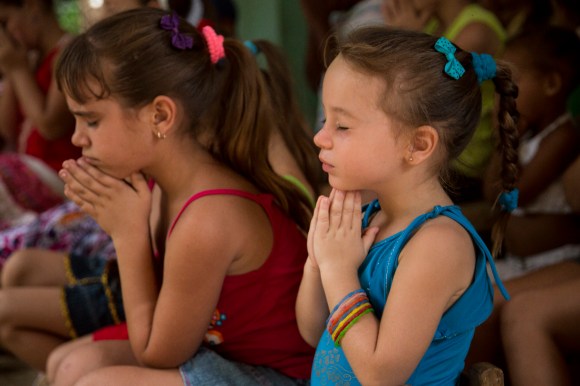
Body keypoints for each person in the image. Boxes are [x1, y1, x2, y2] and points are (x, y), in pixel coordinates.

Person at [0, 7, 316, 385]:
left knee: (92, 382)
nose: (77, 138)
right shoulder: (162, 182)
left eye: (92, 121)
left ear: (161, 116)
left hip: (278, 377)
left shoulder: (208, 217)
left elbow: (158, 351)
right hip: (220, 349)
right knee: (67, 365)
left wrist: (127, 234)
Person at [295, 26, 518, 385]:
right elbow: (313, 330)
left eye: (342, 125)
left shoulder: (438, 244)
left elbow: (379, 374)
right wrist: (317, 262)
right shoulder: (369, 216)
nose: (319, 137)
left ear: (417, 145)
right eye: (325, 120)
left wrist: (338, 270)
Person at [382, 0, 507, 204]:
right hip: (434, 152)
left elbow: (439, 86)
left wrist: (406, 38)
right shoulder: (431, 25)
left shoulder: (475, 31)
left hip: (461, 165)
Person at [484, 26, 580, 280]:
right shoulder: (527, 134)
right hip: (520, 263)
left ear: (551, 84)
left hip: (555, 264)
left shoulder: (564, 136)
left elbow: (519, 195)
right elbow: (491, 194)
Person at [0, 0, 81, 229]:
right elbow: (5, 134)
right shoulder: (29, 61)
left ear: (32, 7)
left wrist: (17, 69)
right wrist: (11, 70)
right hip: (26, 173)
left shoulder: (69, 52)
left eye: (5, 23)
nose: (5, 36)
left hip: (63, 177)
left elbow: (50, 125)